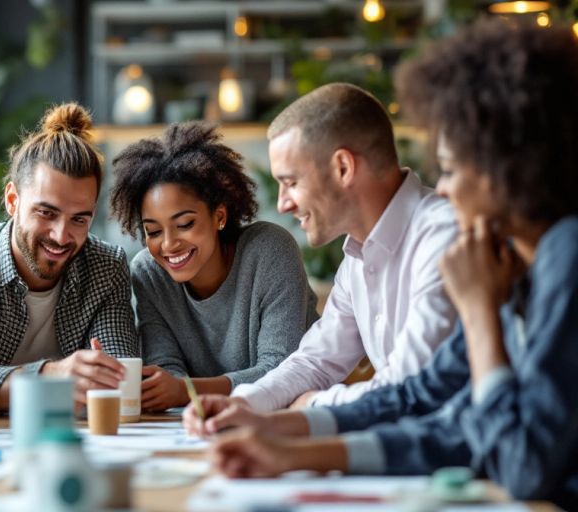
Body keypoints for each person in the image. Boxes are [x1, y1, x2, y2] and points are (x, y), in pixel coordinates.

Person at [203, 20, 578, 509]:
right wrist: (284, 439)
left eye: (451, 168)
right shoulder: (514, 263)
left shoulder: (558, 255)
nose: (442, 188)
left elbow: (521, 463)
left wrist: (481, 311)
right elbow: (444, 416)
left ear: (504, 167)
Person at [184, 83, 458, 415]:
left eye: (291, 182)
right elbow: (315, 362)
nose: (283, 204)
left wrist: (315, 403)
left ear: (343, 167)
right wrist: (240, 404)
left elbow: (411, 389)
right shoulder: (357, 258)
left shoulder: (443, 236)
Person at [0, 103, 139, 415]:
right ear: (13, 200)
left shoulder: (105, 266)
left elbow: (116, 377)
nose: (61, 235)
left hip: (65, 437)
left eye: (79, 219)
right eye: (47, 213)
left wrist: (107, 377)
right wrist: (47, 378)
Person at [108, 121, 318, 411]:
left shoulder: (269, 250)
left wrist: (187, 390)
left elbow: (282, 370)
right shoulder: (149, 272)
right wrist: (176, 390)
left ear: (219, 216)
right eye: (153, 231)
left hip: (292, 415)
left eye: (185, 224)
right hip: (199, 424)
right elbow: (166, 371)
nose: (168, 244)